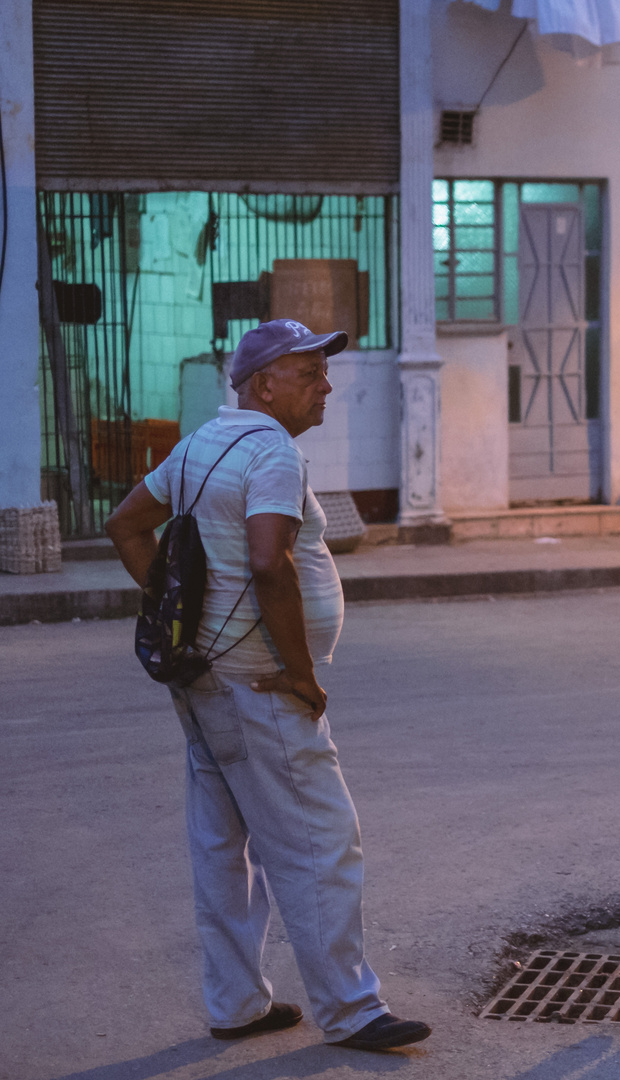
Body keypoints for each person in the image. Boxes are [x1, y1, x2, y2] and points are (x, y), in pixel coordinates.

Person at [104, 320, 431, 1052]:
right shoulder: (272, 452)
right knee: (320, 842)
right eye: (310, 372)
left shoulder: (199, 444)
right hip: (259, 683)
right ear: (263, 385)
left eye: (323, 370)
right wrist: (300, 673)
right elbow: (267, 562)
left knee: (223, 843)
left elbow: (126, 524)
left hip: (205, 680)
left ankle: (237, 1004)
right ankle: (351, 1009)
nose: (326, 386)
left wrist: (175, 615)